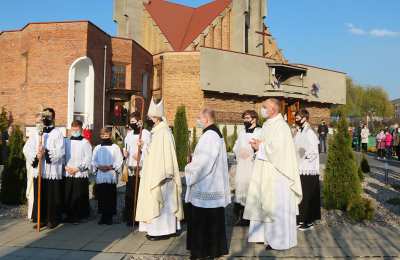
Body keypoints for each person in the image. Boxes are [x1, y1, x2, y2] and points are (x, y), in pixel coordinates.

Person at [244, 98, 302, 251]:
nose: (262, 109)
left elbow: (278, 150)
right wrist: (258, 145)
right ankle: (265, 236)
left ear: (274, 110)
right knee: (265, 203)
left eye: (264, 107)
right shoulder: (269, 124)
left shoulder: (281, 126)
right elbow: (267, 145)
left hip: (279, 175)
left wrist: (261, 146)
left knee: (276, 206)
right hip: (267, 171)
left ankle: (279, 240)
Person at [185, 108, 231, 259]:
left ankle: (203, 252)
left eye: (199, 118)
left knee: (203, 221)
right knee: (212, 220)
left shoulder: (209, 136)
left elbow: (204, 163)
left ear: (205, 119)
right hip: (211, 184)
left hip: (206, 185)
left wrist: (189, 169)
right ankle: (212, 251)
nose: (198, 120)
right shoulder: (214, 133)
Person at [135, 98, 184, 240]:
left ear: (156, 117)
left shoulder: (163, 132)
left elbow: (161, 156)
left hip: (162, 175)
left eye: (150, 117)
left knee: (162, 204)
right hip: (158, 173)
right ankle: (167, 229)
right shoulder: (158, 131)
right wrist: (144, 145)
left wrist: (145, 147)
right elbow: (154, 153)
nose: (149, 119)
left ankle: (161, 231)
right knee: (164, 204)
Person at [23, 108, 65, 229]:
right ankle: (40, 219)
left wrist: (46, 152)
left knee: (52, 196)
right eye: (44, 116)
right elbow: (27, 148)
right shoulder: (37, 132)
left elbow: (61, 151)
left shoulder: (57, 133)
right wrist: (36, 155)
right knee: (40, 195)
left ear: (53, 118)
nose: (45, 119)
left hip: (52, 170)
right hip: (40, 169)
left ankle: (53, 219)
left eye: (48, 116)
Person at [232, 110, 261, 226]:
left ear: (254, 119)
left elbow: (262, 146)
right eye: (244, 118)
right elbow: (236, 145)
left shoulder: (260, 131)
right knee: (240, 187)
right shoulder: (242, 132)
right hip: (242, 165)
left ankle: (251, 217)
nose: (245, 120)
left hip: (253, 164)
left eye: (247, 118)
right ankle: (241, 216)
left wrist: (253, 152)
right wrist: (239, 152)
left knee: (251, 188)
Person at [293, 109, 321, 231]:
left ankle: (308, 220)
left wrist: (304, 153)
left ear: (305, 118)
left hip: (309, 169)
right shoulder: (299, 132)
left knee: (308, 195)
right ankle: (300, 218)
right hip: (299, 168)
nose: (296, 119)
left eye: (298, 117)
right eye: (296, 117)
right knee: (300, 194)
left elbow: (314, 150)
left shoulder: (310, 132)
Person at [123, 112, 151, 226]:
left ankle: (140, 218)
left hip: (141, 167)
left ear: (139, 121)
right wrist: (125, 153)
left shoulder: (145, 133)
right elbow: (126, 147)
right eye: (131, 121)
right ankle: (130, 218)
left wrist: (141, 154)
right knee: (130, 193)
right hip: (131, 166)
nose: (132, 123)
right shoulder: (129, 135)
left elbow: (149, 148)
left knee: (140, 193)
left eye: (134, 121)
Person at [92, 128, 123, 225]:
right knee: (101, 196)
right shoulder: (97, 148)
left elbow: (119, 160)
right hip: (101, 174)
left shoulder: (115, 147)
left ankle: (109, 216)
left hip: (110, 174)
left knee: (110, 196)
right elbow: (93, 160)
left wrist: (111, 166)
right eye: (103, 135)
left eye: (106, 135)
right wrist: (99, 166)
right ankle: (102, 216)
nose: (105, 137)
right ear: (100, 136)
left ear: (110, 136)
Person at [64, 120, 92, 224]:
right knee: (68, 194)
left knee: (78, 194)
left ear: (81, 129)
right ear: (71, 129)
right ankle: (69, 215)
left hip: (79, 173)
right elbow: (63, 155)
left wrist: (77, 169)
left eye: (77, 129)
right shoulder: (66, 141)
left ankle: (79, 216)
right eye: (73, 129)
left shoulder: (85, 142)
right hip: (68, 171)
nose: (75, 131)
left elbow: (88, 158)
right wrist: (66, 167)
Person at [23, 113, 42, 220]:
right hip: (34, 167)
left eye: (40, 122)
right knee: (32, 191)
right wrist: (35, 157)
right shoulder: (34, 135)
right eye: (37, 122)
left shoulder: (47, 134)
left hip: (45, 168)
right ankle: (32, 214)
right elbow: (26, 150)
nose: (38, 124)